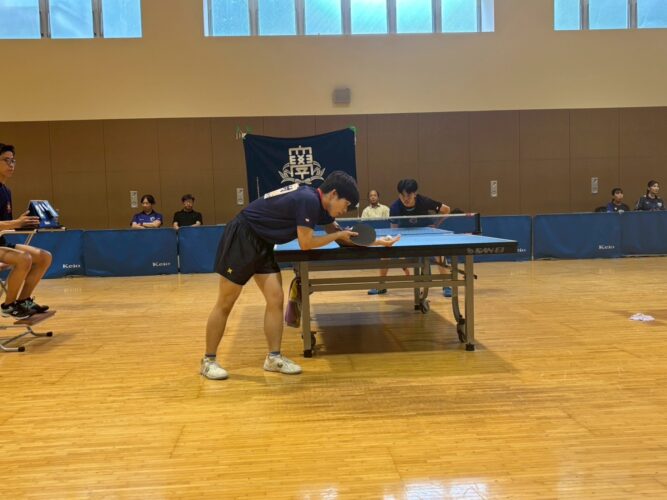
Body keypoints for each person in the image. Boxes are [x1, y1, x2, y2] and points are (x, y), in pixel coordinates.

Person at [201, 171, 400, 380]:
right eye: (346, 204)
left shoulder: (323, 208)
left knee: (275, 299)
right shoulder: (308, 200)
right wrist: (338, 234)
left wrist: (378, 242)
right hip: (243, 236)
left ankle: (273, 358)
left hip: (263, 242)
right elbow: (306, 243)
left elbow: (341, 237)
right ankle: (208, 361)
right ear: (333, 194)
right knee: (226, 302)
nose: (345, 210)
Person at [0, 143, 52, 319]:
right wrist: (16, 222)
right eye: (6, 160)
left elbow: (6, 224)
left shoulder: (6, 191)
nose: (11, 164)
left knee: (44, 257)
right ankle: (8, 305)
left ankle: (24, 300)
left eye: (13, 160)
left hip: (2, 243)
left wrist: (26, 223)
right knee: (24, 259)